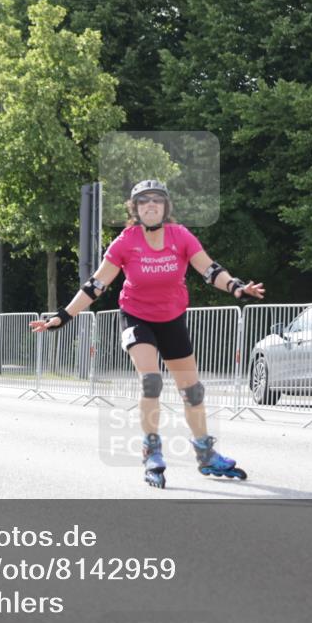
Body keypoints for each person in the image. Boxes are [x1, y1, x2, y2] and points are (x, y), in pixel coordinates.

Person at [29, 180, 265, 488]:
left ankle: (205, 453)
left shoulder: (180, 236)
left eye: (157, 200)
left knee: (192, 391)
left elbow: (210, 270)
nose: (150, 205)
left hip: (172, 320)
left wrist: (236, 286)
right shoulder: (126, 242)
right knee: (151, 381)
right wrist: (63, 316)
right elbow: (95, 285)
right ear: (135, 209)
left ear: (166, 207)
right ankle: (152, 450)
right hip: (136, 318)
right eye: (144, 202)